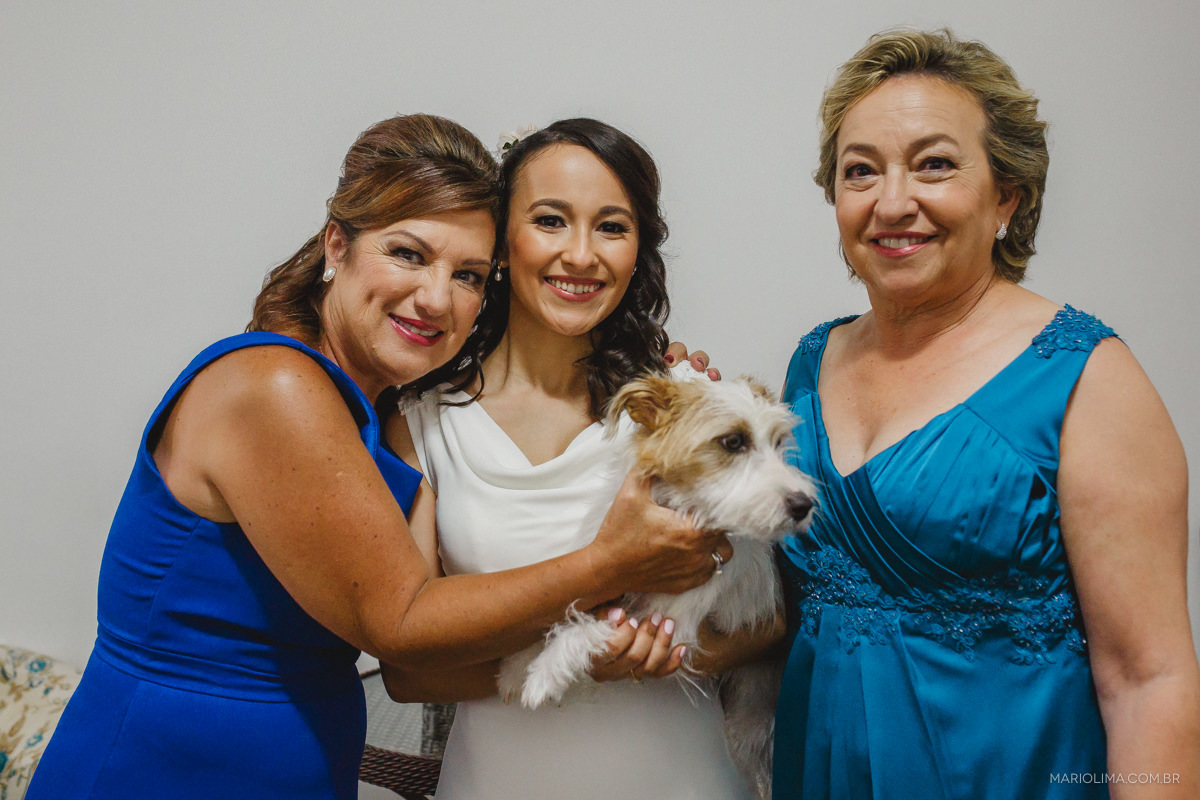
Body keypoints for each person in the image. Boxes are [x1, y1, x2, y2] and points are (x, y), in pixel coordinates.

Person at [25, 114, 730, 800]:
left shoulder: (376, 408)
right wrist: (612, 561)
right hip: (163, 770)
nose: (435, 298)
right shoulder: (277, 386)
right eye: (408, 254)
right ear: (337, 245)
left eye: (468, 275)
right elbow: (403, 624)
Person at [772, 28, 1200, 799]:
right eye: (860, 170)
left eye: (934, 164)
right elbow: (782, 606)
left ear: (1007, 194)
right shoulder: (811, 363)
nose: (892, 202)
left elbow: (1150, 681)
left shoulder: (1082, 375)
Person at [382, 119, 770, 799]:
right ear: (502, 243)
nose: (581, 254)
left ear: (639, 250)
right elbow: (408, 673)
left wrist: (670, 651)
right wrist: (583, 663)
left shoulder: (688, 404)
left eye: (612, 227)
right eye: (550, 220)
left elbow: (770, 621)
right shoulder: (422, 423)